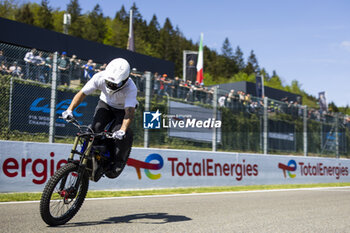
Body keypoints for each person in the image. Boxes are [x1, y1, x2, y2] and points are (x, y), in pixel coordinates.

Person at [61, 58, 137, 174]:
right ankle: (90, 155)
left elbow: (129, 112)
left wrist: (122, 130)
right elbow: (82, 94)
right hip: (105, 104)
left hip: (122, 110)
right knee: (94, 128)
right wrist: (69, 110)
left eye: (115, 84)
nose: (111, 86)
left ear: (125, 80)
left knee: (117, 132)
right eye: (109, 82)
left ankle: (118, 161)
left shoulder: (131, 88)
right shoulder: (99, 77)